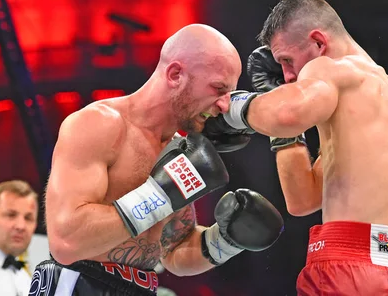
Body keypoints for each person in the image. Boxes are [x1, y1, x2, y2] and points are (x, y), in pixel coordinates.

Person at [202, 0, 388, 295]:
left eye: (287, 60)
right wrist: (281, 129)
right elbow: (303, 200)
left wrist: (234, 110)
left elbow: (287, 112)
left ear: (318, 43)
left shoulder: (330, 68)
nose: (287, 76)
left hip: (351, 269)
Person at [32, 24, 284, 296]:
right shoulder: (99, 125)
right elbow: (66, 241)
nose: (224, 104)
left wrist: (224, 241)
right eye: (218, 88)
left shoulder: (178, 149)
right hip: (79, 286)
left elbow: (173, 252)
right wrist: (160, 195)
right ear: (176, 74)